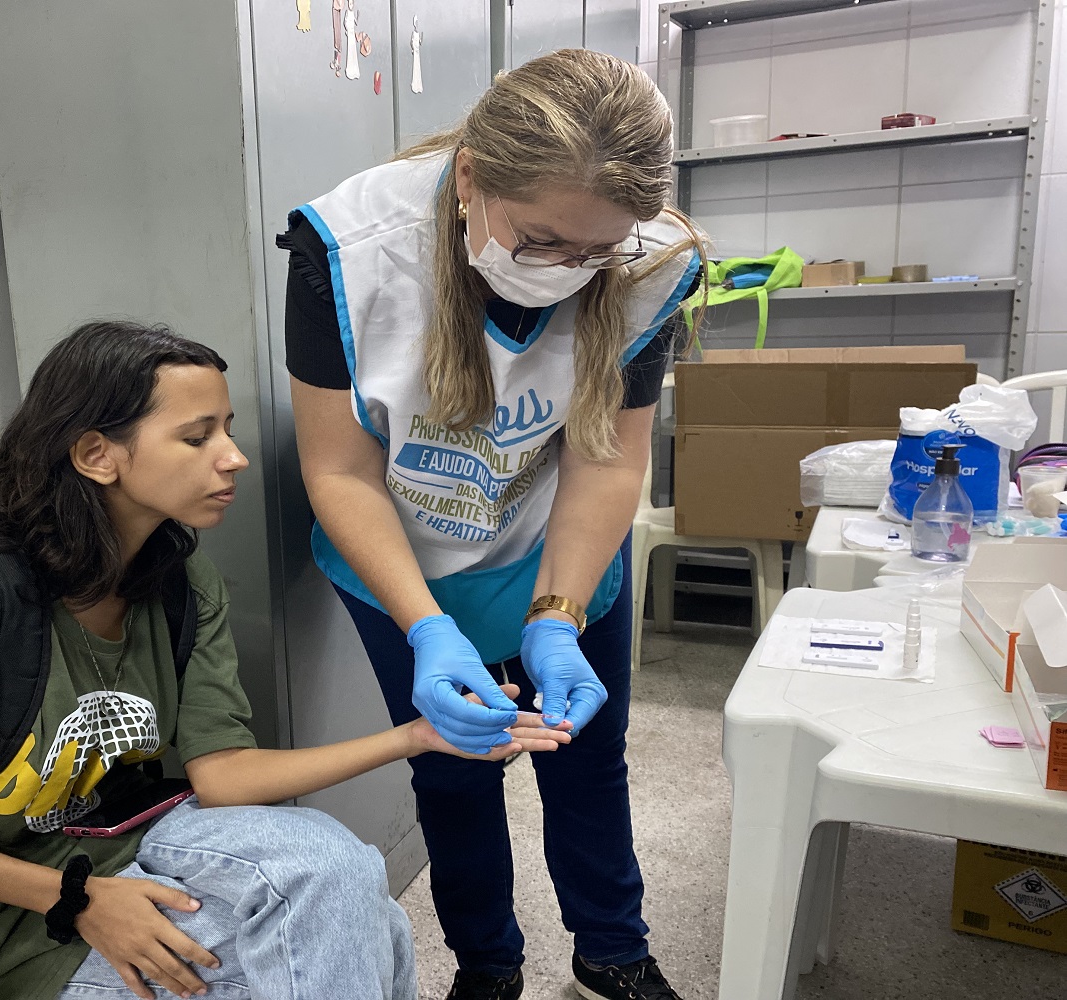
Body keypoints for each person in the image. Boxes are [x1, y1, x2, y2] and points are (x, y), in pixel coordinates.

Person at [0, 320, 572, 1000]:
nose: (234, 457)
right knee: (376, 935)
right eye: (197, 437)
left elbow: (222, 774)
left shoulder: (178, 578)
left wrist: (414, 737)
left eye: (229, 430)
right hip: (0, 923)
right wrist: (76, 900)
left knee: (340, 876)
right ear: (95, 454)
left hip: (135, 842)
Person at [279, 50, 707, 1000]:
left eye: (597, 251)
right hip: (402, 553)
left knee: (586, 756)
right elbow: (338, 470)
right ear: (471, 175)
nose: (567, 271)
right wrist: (425, 628)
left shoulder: (653, 264)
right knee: (454, 766)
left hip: (559, 543)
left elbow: (609, 458)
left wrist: (555, 616)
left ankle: (613, 949)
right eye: (543, 239)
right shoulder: (349, 250)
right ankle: (486, 966)